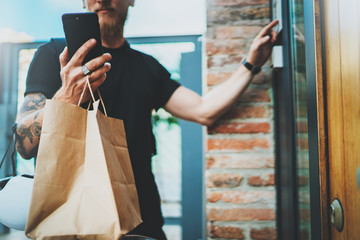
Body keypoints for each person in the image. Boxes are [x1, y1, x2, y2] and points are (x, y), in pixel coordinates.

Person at [15, 0, 278, 239]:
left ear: (132, 1)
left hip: (140, 219)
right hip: (70, 222)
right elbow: (23, 145)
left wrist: (251, 64)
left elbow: (203, 110)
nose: (103, 0)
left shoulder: (147, 67)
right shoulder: (53, 56)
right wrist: (67, 96)